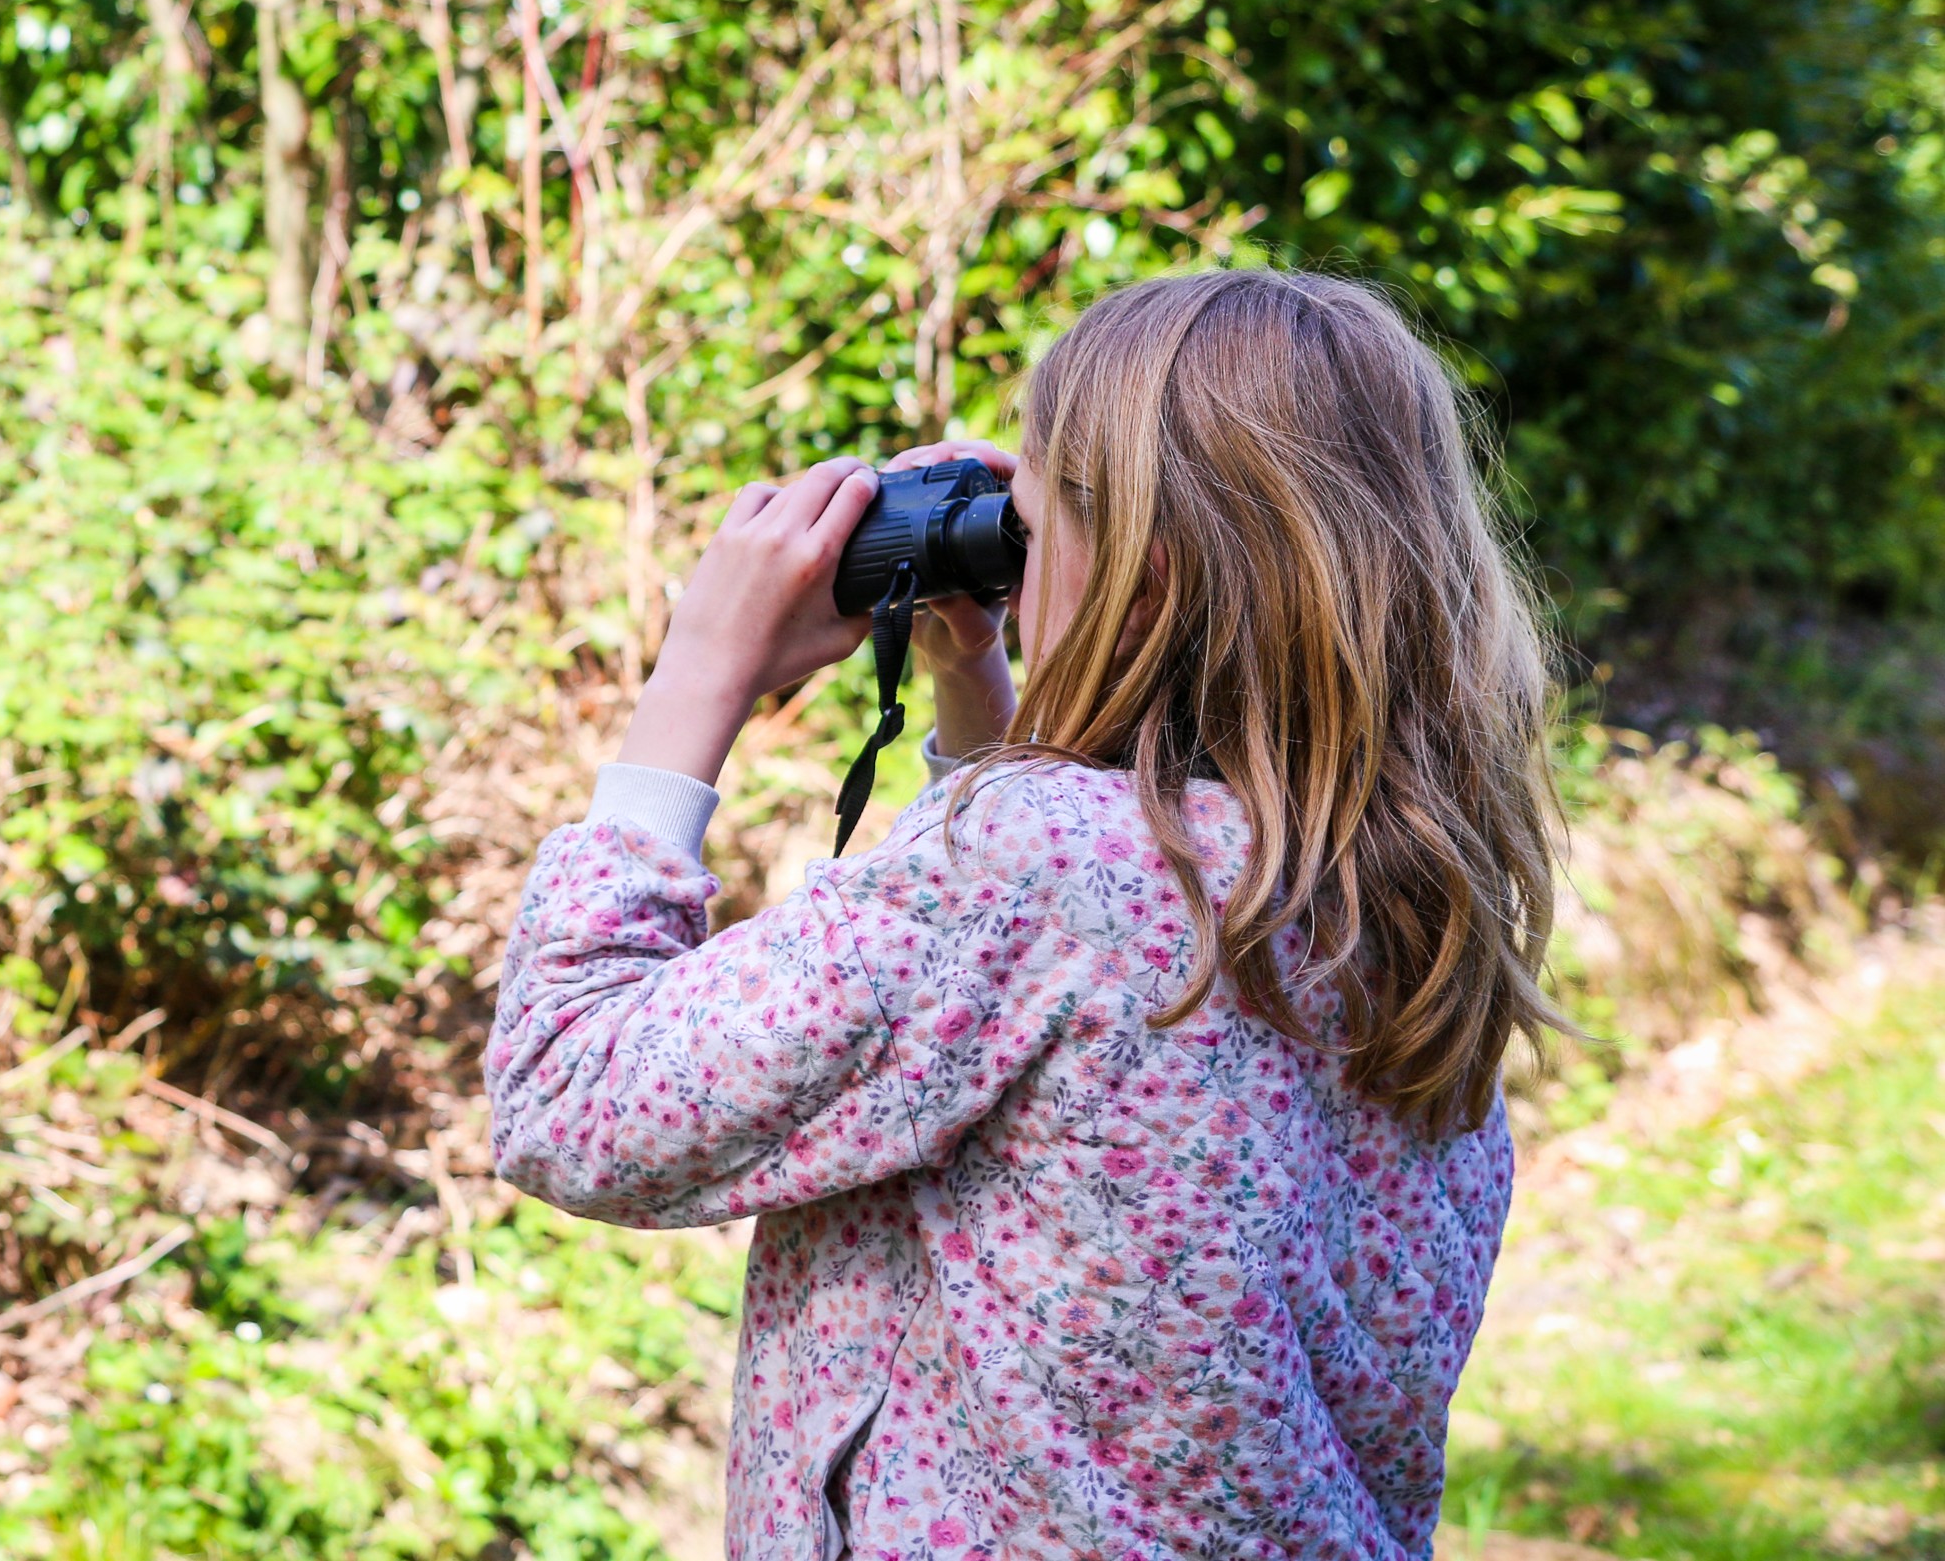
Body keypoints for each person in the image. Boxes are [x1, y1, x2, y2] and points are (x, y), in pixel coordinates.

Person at [484, 269, 1563, 1560]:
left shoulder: (1044, 867)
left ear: (1143, 576)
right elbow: (1046, 1073)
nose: (1009, 551)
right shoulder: (1403, 894)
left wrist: (696, 679)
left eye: (1032, 532)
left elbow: (569, 1095)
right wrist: (975, 677)